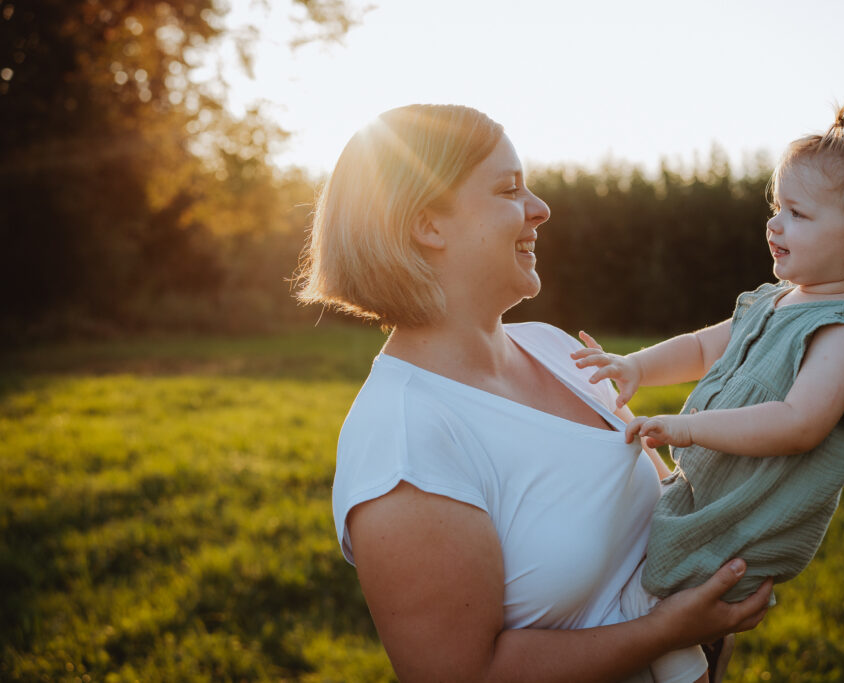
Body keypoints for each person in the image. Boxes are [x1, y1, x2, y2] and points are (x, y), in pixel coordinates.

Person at [296, 104, 772, 683]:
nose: (541, 209)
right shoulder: (403, 438)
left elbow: (666, 508)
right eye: (508, 189)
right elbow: (463, 675)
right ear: (428, 223)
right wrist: (669, 632)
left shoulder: (554, 348)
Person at [572, 105, 844, 680]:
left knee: (647, 610)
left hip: (741, 526)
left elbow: (799, 423)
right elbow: (702, 348)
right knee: (633, 586)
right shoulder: (772, 300)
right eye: (777, 208)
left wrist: (688, 426)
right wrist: (637, 367)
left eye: (796, 213)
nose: (774, 225)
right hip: (706, 498)